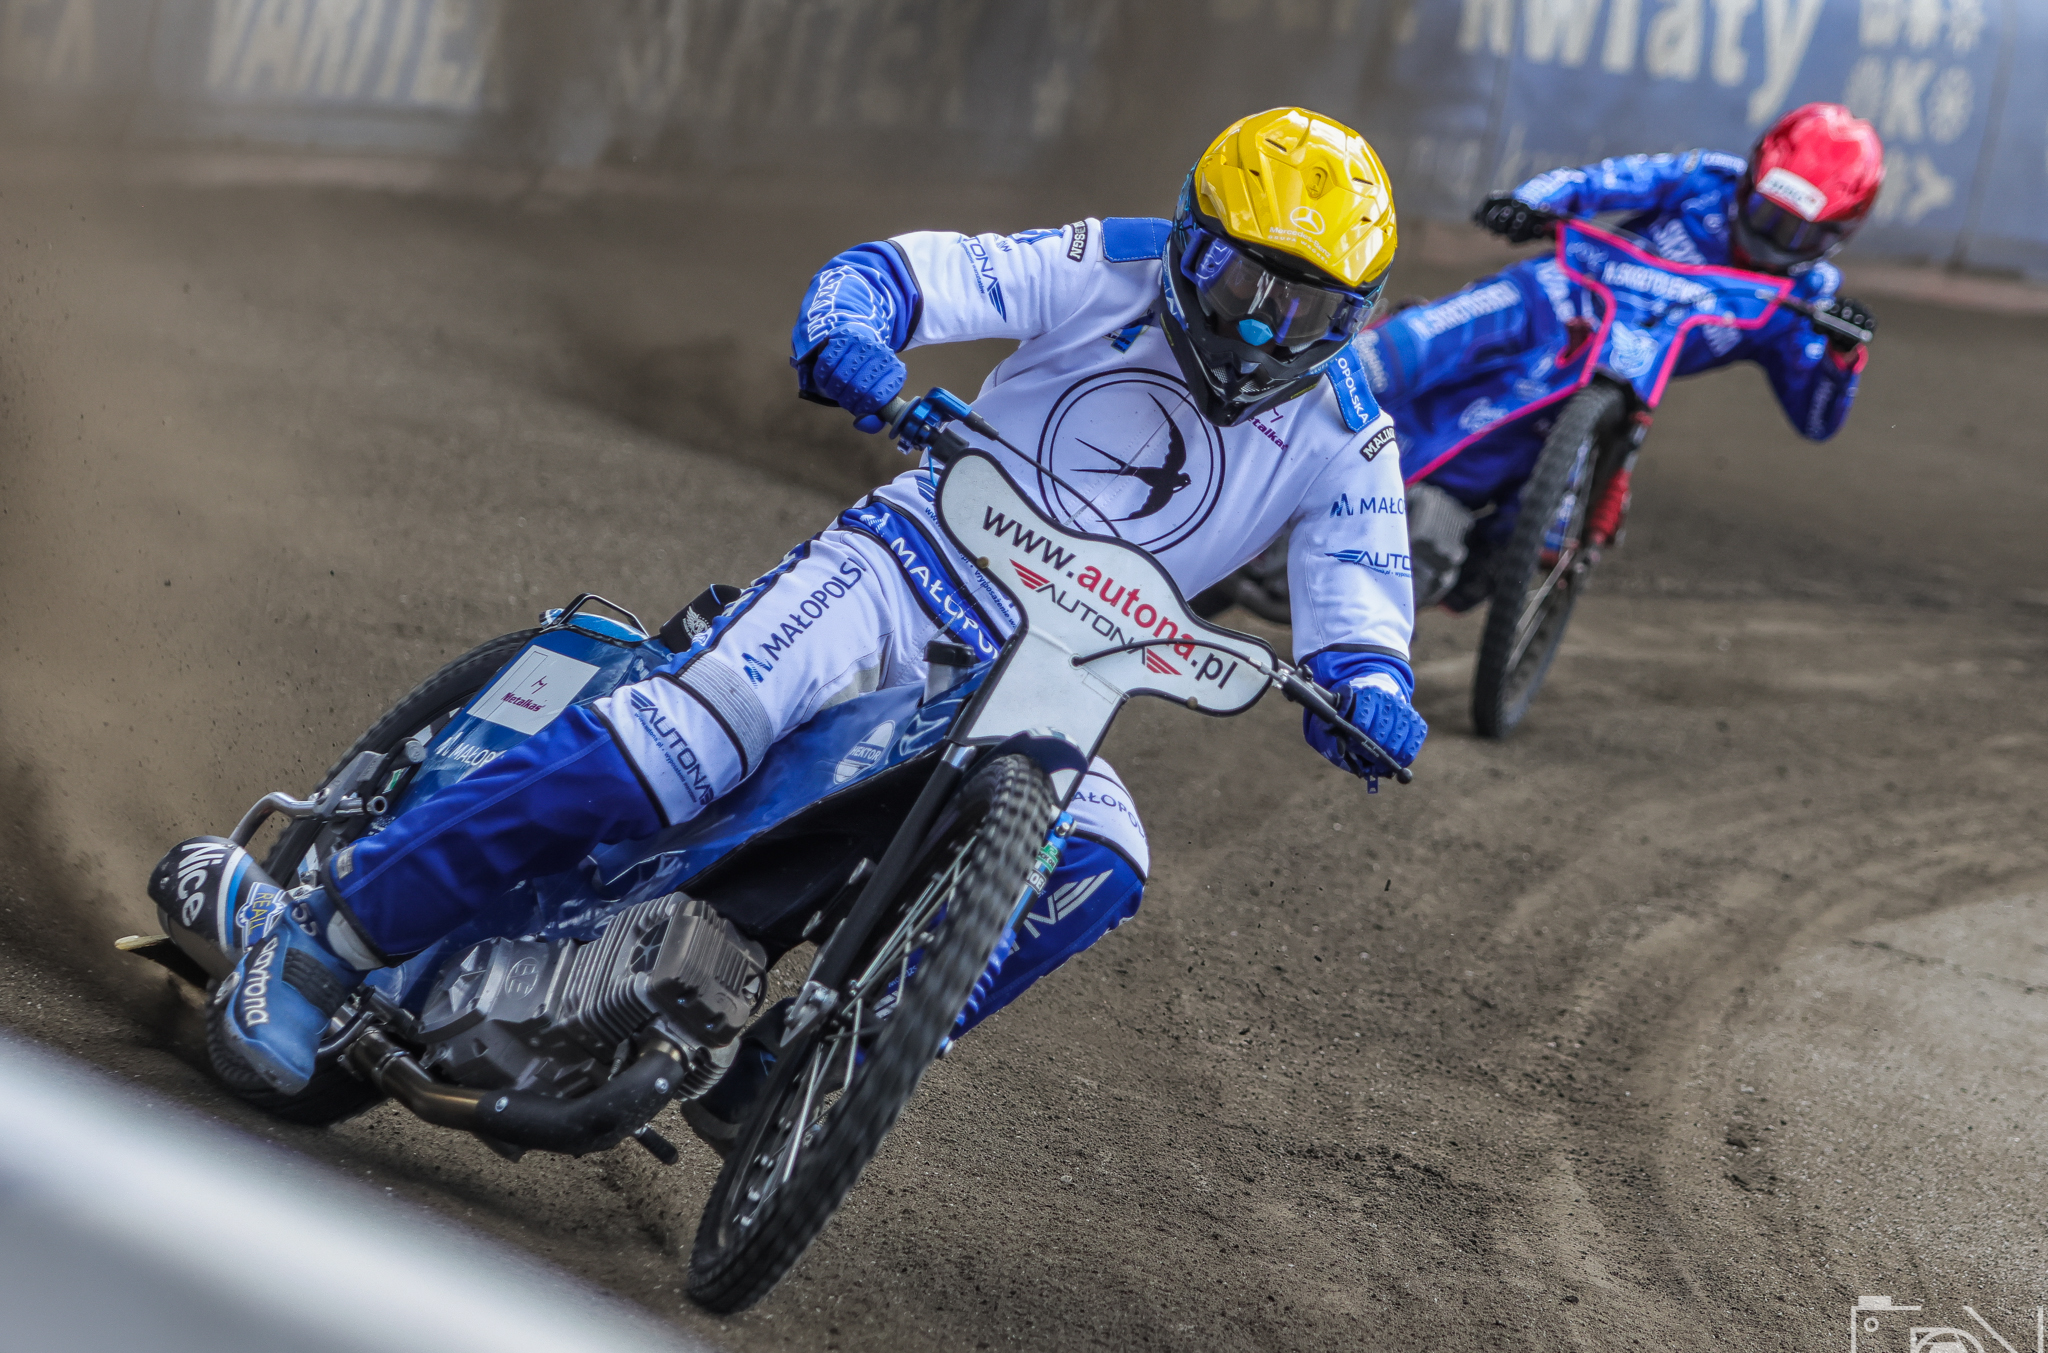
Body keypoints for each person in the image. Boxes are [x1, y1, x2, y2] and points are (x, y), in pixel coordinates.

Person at [150, 108, 1429, 1126]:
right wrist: (853, 335)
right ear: (1191, 237)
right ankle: (322, 939)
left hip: (1057, 677)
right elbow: (899, 276)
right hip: (905, 568)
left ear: (1355, 317)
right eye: (1241, 277)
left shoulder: (1347, 431)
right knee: (687, 740)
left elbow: (1361, 592)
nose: (1262, 324)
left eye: (1309, 307)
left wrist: (1371, 688)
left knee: (1103, 856)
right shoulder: (1107, 263)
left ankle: (809, 1076)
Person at [1362, 102, 1884, 610]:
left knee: (1499, 538)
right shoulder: (1704, 178)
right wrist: (1527, 204)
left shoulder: (1809, 297)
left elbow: (1817, 420)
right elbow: (1597, 182)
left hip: (1602, 385)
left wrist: (1841, 358)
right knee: (1398, 350)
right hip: (1551, 294)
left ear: (1837, 235)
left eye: (1798, 232)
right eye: (1767, 214)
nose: (1772, 238)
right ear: (1750, 181)